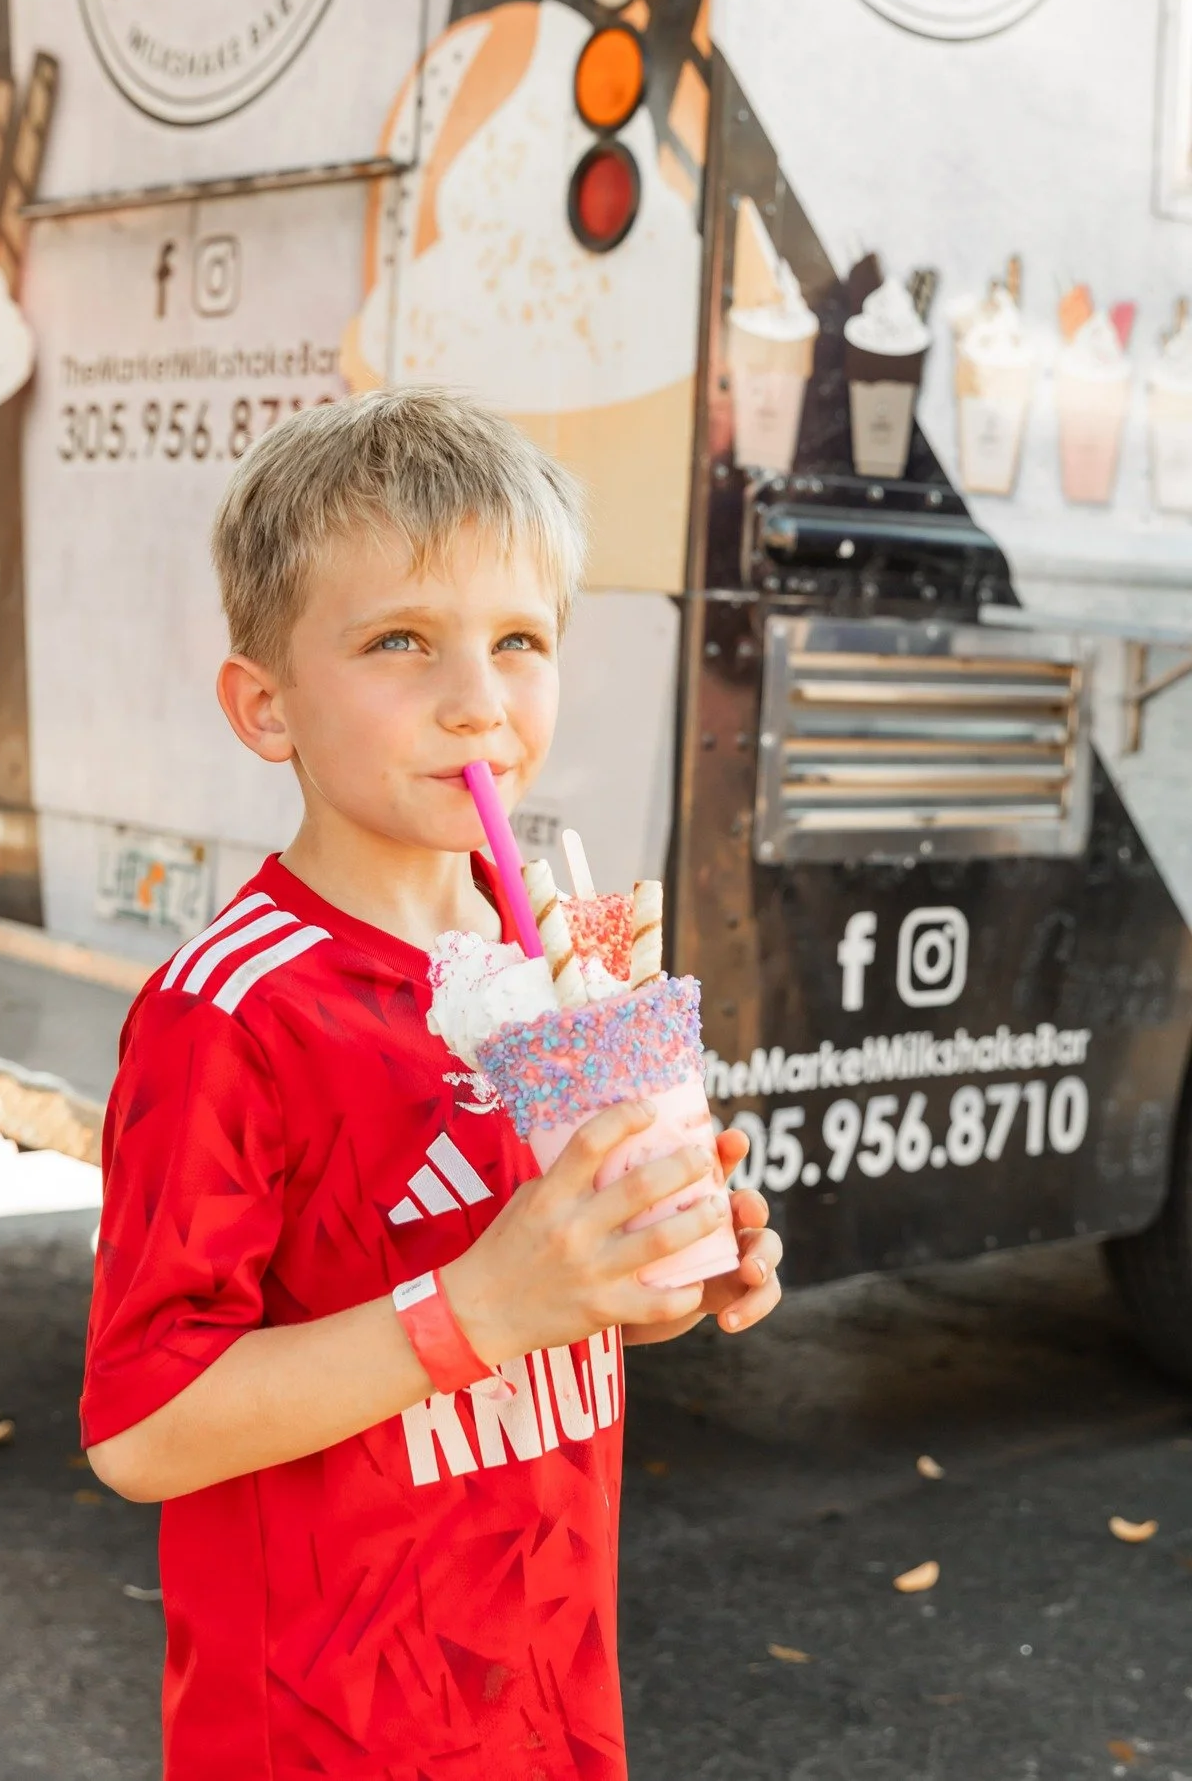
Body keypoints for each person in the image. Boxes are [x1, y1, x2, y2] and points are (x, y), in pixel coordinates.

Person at [83, 388, 784, 1781]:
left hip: (546, 1701)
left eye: (519, 640)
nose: (479, 699)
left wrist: (647, 1272)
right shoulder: (231, 1012)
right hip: (322, 1732)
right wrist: (480, 1308)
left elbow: (544, 1302)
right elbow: (144, 1429)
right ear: (266, 706)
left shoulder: (549, 963)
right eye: (400, 640)